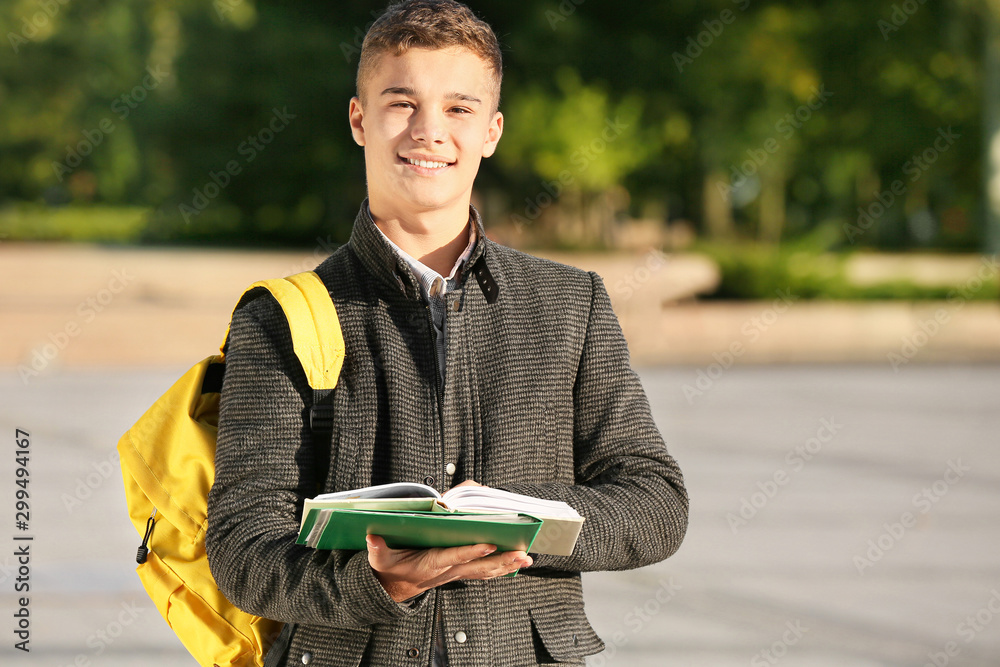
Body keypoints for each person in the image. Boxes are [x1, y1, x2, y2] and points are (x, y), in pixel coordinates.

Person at [205, 1, 688, 665]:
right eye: (401, 102)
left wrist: (517, 517)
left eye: (458, 108)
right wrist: (373, 581)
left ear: (491, 130)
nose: (430, 131)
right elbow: (241, 547)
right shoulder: (278, 318)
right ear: (359, 120)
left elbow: (655, 501)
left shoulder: (571, 303)